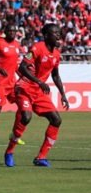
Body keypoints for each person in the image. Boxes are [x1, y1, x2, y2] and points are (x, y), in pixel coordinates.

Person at [4, 24, 69, 168]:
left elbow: (56, 75)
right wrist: (39, 81)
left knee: (56, 120)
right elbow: (22, 67)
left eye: (59, 33)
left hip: (38, 91)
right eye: (55, 33)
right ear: (46, 36)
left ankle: (41, 157)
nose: (58, 35)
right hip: (25, 87)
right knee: (26, 117)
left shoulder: (57, 54)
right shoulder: (37, 48)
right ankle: (9, 152)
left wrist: (63, 95)